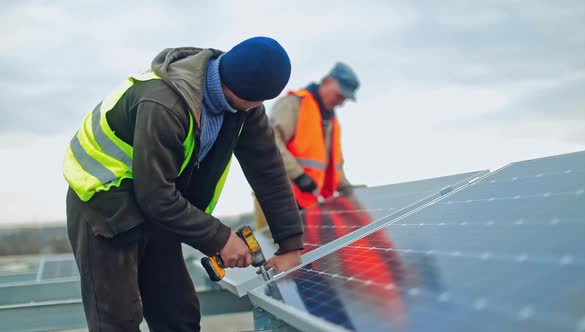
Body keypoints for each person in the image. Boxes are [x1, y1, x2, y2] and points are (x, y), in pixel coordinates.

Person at [63, 36, 304, 331]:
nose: (259, 107)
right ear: (238, 88)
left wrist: (290, 245)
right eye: (257, 100)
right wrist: (220, 238)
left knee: (178, 315)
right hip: (103, 199)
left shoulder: (246, 106)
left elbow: (268, 170)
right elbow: (155, 196)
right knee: (118, 318)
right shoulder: (163, 103)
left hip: (161, 203)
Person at [254, 62, 362, 229]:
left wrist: (346, 187)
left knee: (306, 251)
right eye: (340, 95)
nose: (341, 102)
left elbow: (334, 163)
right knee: (278, 251)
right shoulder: (293, 104)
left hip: (307, 203)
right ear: (326, 81)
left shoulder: (330, 120)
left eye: (345, 99)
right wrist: (298, 176)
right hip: (275, 196)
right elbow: (271, 140)